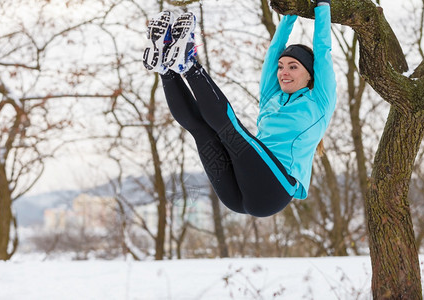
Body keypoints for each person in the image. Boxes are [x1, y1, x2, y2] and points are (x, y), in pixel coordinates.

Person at [142, 0, 336, 217]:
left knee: (231, 131)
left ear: (310, 74)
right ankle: (165, 69)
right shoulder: (272, 96)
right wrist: (289, 14)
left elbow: (323, 51)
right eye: (281, 67)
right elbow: (274, 51)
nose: (283, 72)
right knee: (202, 131)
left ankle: (189, 65)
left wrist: (323, 6)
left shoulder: (320, 102)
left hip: (274, 190)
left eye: (293, 67)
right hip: (238, 194)